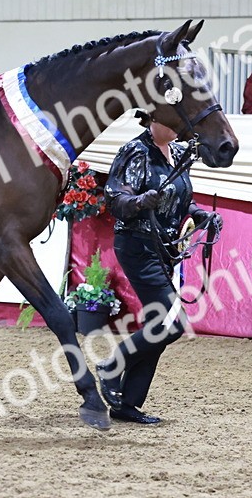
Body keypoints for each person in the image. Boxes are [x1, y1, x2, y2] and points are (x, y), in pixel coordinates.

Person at [95, 110, 222, 425]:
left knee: (159, 326)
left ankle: (126, 404)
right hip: (138, 245)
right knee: (171, 324)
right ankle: (112, 364)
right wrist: (140, 202)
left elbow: (179, 200)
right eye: (173, 122)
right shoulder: (134, 152)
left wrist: (201, 214)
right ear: (153, 121)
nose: (180, 127)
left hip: (164, 249)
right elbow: (115, 200)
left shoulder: (176, 154)